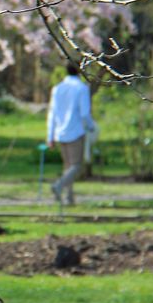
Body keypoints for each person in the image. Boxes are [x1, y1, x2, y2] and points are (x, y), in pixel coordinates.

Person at [46, 62, 95, 206]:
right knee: (76, 166)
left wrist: (50, 135)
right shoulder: (81, 88)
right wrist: (91, 127)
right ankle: (59, 186)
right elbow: (85, 113)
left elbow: (52, 113)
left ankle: (69, 197)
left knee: (68, 167)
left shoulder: (57, 88)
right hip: (76, 131)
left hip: (60, 131)